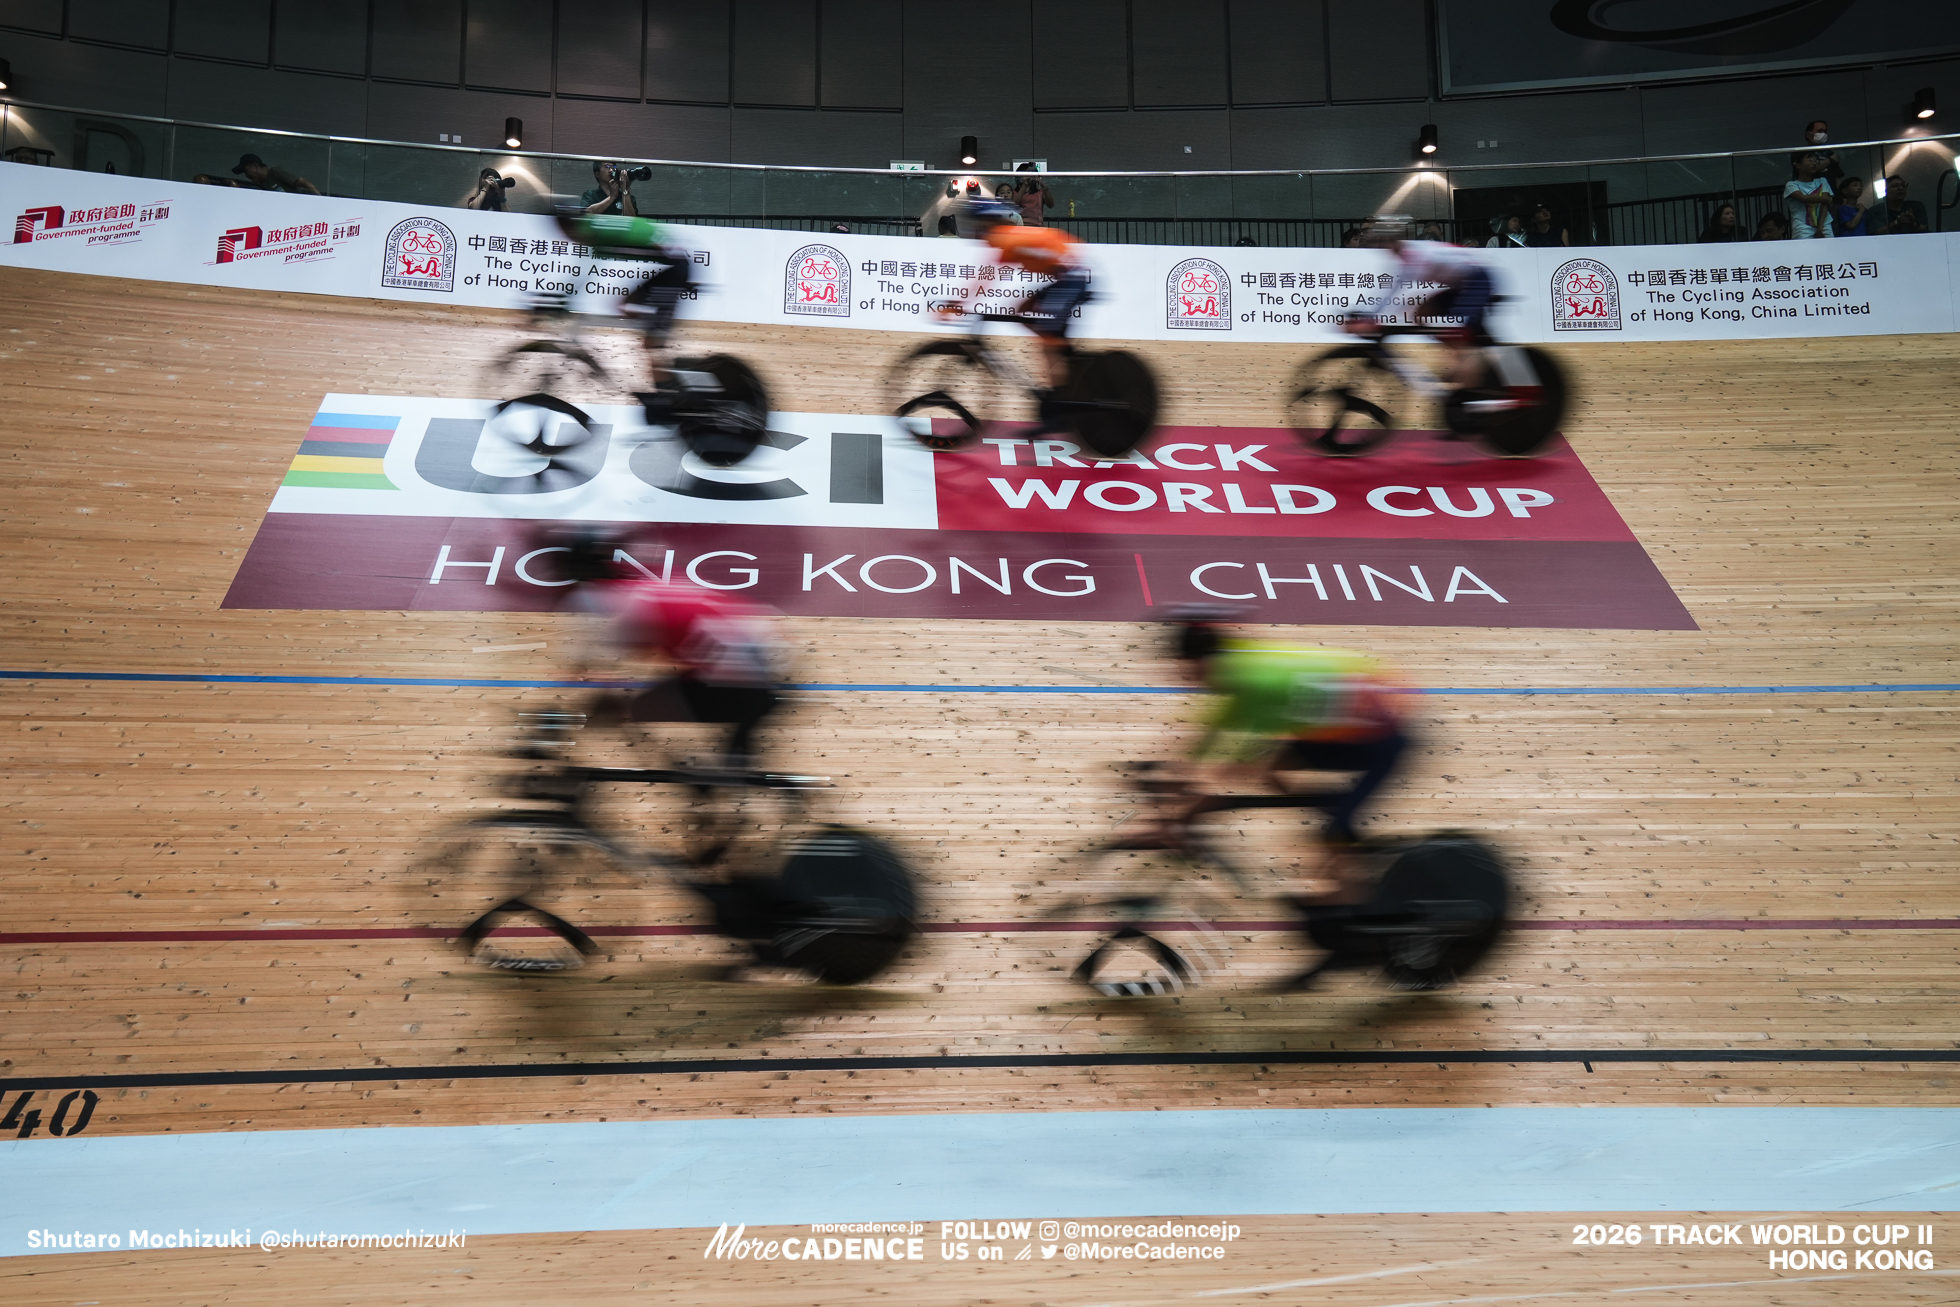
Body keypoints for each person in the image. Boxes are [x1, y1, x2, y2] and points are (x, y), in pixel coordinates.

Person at [544, 526, 785, 768]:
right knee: (659, 698)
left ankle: (706, 767)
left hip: (737, 682)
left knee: (633, 708)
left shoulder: (608, 601)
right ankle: (736, 755)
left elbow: (600, 663)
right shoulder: (647, 584)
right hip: (767, 662)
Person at [1168, 617, 1410, 852]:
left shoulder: (1256, 684)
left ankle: (1339, 829)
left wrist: (1187, 803)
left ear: (1204, 661)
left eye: (1189, 670)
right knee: (1269, 770)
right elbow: (1223, 723)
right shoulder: (1239, 661)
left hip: (1377, 741)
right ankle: (1329, 807)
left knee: (1333, 832)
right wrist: (1188, 767)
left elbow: (1237, 757)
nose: (1187, 678)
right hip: (1346, 720)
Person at [941, 197, 1091, 391]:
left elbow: (984, 281)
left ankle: (1060, 392)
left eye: (980, 225)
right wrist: (958, 303)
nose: (976, 231)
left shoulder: (1008, 239)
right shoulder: (1008, 240)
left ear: (992, 223)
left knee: (1049, 342)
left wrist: (956, 304)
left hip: (1072, 279)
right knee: (1022, 308)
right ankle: (1063, 350)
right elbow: (985, 279)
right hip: (1067, 277)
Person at [1347, 213, 1493, 389]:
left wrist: (1373, 319)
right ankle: (1455, 361)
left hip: (1476, 280)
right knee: (1422, 314)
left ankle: (1469, 377)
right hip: (1461, 283)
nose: (1383, 248)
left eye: (1383, 243)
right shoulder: (1407, 255)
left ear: (1393, 242)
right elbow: (1392, 293)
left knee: (1462, 333)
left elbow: (1396, 298)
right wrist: (1373, 317)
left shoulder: (1416, 257)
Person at [1784, 151, 1836, 239]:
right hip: (1802, 226)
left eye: (1816, 161)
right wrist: (1827, 199)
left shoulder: (1822, 181)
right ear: (1798, 165)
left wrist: (1820, 227)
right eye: (1810, 160)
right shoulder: (1791, 185)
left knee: (1829, 247)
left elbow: (1824, 205)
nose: (1814, 163)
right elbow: (1803, 198)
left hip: (1824, 224)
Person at [230, 152, 320, 195]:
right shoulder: (261, 186)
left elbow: (306, 184)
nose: (246, 176)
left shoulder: (275, 172)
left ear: (255, 166)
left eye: (246, 171)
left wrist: (323, 204)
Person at [1008, 162, 1053, 227]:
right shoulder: (1014, 192)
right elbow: (1014, 205)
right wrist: (1024, 186)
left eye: (1031, 174)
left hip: (1037, 226)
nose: (1028, 177)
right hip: (1020, 226)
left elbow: (1051, 205)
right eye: (1025, 175)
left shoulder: (1040, 192)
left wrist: (1043, 185)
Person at [1801, 120, 1844, 188]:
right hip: (1811, 192)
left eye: (1825, 131)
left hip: (1831, 192)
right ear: (1808, 134)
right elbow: (1806, 171)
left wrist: (1841, 192)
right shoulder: (1801, 153)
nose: (1823, 134)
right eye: (1819, 131)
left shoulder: (1829, 152)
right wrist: (1830, 160)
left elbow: (1837, 178)